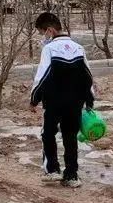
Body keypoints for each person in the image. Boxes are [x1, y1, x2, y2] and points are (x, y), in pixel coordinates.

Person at [30, 12, 94, 188]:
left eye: (42, 32)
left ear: (50, 30)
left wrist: (34, 99)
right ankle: (71, 175)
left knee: (48, 134)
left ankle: (52, 170)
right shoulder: (78, 48)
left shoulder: (50, 49)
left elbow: (42, 77)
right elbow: (87, 76)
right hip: (75, 103)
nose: (43, 37)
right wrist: (89, 100)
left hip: (54, 102)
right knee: (70, 137)